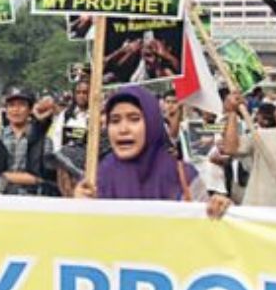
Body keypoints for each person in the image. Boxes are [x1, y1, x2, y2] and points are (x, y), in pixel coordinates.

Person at [75, 86, 232, 218]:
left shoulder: (184, 176)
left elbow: (210, 231)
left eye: (134, 119)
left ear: (152, 122)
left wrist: (221, 209)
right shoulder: (95, 179)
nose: (123, 129)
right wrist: (77, 208)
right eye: (115, 121)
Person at [0, 86, 54, 195]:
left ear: (30, 109)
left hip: (33, 196)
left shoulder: (43, 139)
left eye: (21, 105)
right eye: (11, 105)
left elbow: (44, 177)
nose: (16, 109)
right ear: (5, 110)